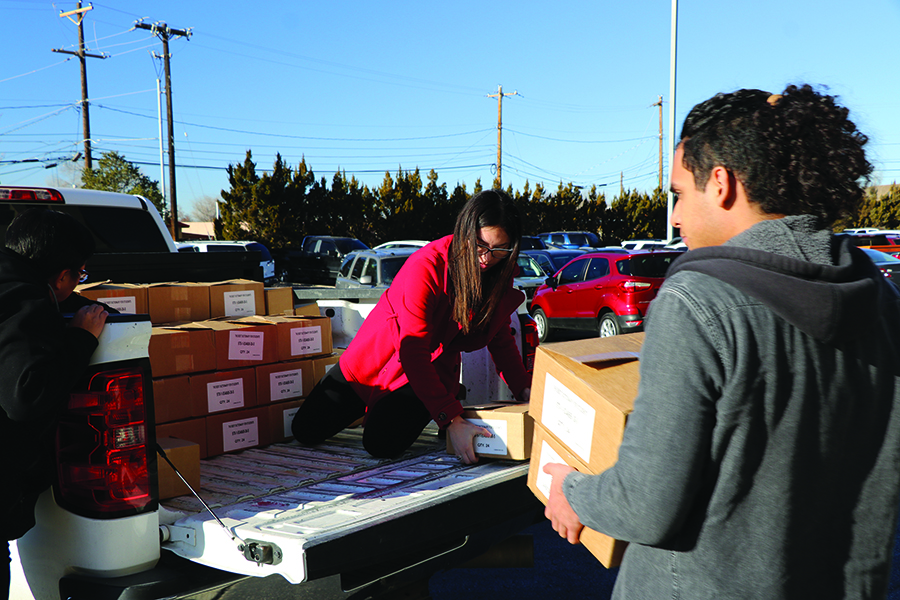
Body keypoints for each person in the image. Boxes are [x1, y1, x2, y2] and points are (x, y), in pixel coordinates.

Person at [544, 84, 900, 600]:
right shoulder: (877, 294)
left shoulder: (698, 300)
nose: (674, 217)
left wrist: (570, 492)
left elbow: (645, 501)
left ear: (720, 183)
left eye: (678, 194)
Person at [292, 190, 532, 463]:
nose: (487, 258)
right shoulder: (427, 266)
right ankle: (372, 406)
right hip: (374, 361)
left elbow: (498, 335)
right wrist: (452, 419)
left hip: (427, 375)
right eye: (480, 245)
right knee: (304, 431)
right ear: (465, 231)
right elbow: (413, 348)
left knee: (380, 444)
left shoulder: (497, 275)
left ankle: (414, 406)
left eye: (499, 249)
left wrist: (523, 387)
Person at [0, 208, 108, 599]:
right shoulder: (27, 301)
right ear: (62, 275)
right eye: (79, 274)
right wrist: (82, 338)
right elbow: (28, 394)